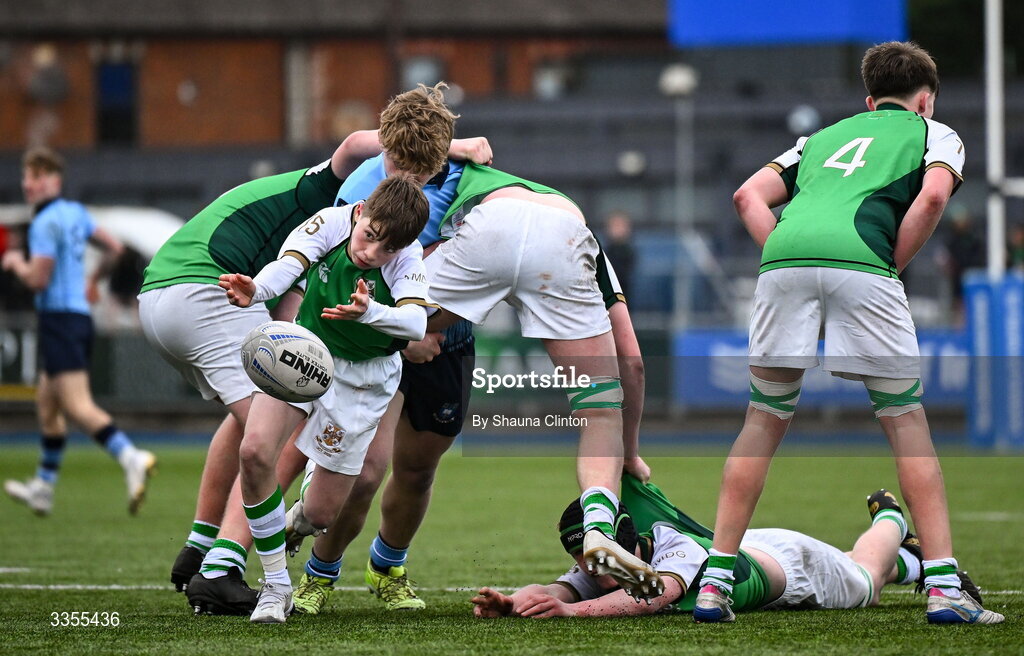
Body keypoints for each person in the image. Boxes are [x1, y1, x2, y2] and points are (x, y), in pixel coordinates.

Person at [136, 82, 488, 601]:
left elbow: (417, 317)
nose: (406, 179)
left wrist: (387, 320)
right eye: (397, 163)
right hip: (273, 316)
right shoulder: (348, 197)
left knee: (361, 480)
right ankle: (228, 563)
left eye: (420, 168)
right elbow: (295, 273)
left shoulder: (460, 188)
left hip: (386, 360)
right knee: (265, 434)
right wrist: (277, 305)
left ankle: (224, 541)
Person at [694, 42, 1003, 625]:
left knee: (762, 419)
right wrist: (892, 262)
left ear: (868, 99)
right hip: (864, 262)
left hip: (782, 260)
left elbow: (747, 196)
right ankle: (943, 590)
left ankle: (714, 583)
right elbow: (935, 194)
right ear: (926, 100)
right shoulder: (934, 133)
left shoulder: (820, 138)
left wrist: (789, 253)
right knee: (904, 421)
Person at [282, 154, 653, 615]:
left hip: (486, 241)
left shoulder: (461, 170)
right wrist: (629, 450)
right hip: (561, 244)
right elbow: (632, 364)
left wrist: (411, 327)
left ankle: (373, 561)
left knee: (411, 457)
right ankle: (599, 521)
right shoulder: (580, 231)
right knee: (599, 409)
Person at [217, 174, 433, 623]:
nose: (371, 253)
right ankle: (276, 587)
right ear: (360, 213)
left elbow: (414, 324)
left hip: (363, 382)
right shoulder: (331, 222)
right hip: (305, 352)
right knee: (255, 452)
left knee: (320, 515)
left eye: (386, 249)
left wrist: (369, 312)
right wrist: (255, 289)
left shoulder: (406, 255)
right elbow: (289, 265)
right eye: (370, 236)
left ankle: (298, 519)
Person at [470, 476, 996, 621]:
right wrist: (517, 600)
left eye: (600, 563)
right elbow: (561, 586)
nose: (592, 574)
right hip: (749, 550)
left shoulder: (670, 550)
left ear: (632, 547)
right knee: (875, 582)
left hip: (795, 566)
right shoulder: (610, 560)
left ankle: (889, 520)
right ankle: (910, 558)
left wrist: (568, 612)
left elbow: (651, 595)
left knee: (867, 578)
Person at [2, 147, 156, 516]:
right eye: (26, 177)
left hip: (59, 319)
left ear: (54, 180)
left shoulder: (43, 223)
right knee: (46, 401)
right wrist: (93, 278)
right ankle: (43, 485)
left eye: (37, 177)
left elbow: (38, 279)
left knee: (76, 405)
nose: (29, 184)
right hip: (78, 318)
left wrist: (15, 263)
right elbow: (116, 249)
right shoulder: (75, 213)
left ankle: (131, 456)